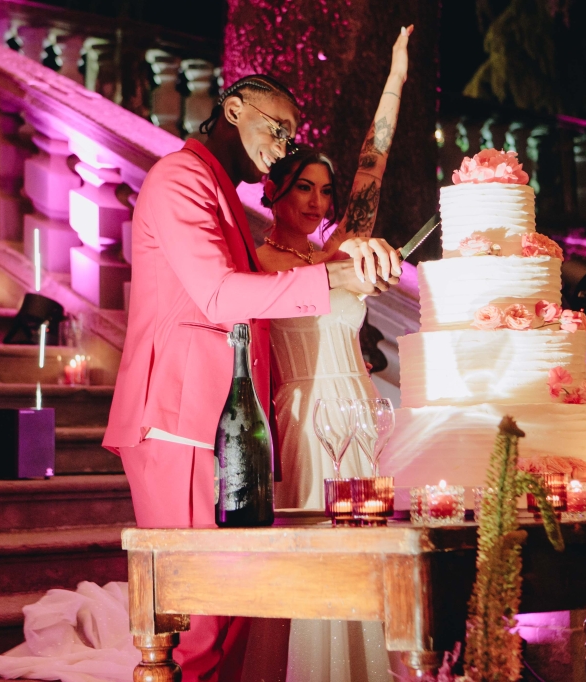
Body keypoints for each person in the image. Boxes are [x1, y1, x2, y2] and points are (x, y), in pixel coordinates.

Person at [101, 73, 403, 682]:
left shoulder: (218, 190)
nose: (284, 144)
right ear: (234, 109)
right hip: (182, 422)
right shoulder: (180, 177)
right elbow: (218, 295)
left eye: (292, 135)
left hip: (236, 428)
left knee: (233, 612)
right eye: (278, 128)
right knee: (196, 618)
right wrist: (336, 278)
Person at [253, 26, 414, 682]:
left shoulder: (341, 245)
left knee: (365, 543)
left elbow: (373, 163)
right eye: (304, 188)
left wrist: (396, 78)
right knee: (317, 548)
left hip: (359, 410)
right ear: (275, 190)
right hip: (306, 409)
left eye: (325, 190)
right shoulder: (260, 261)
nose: (319, 202)